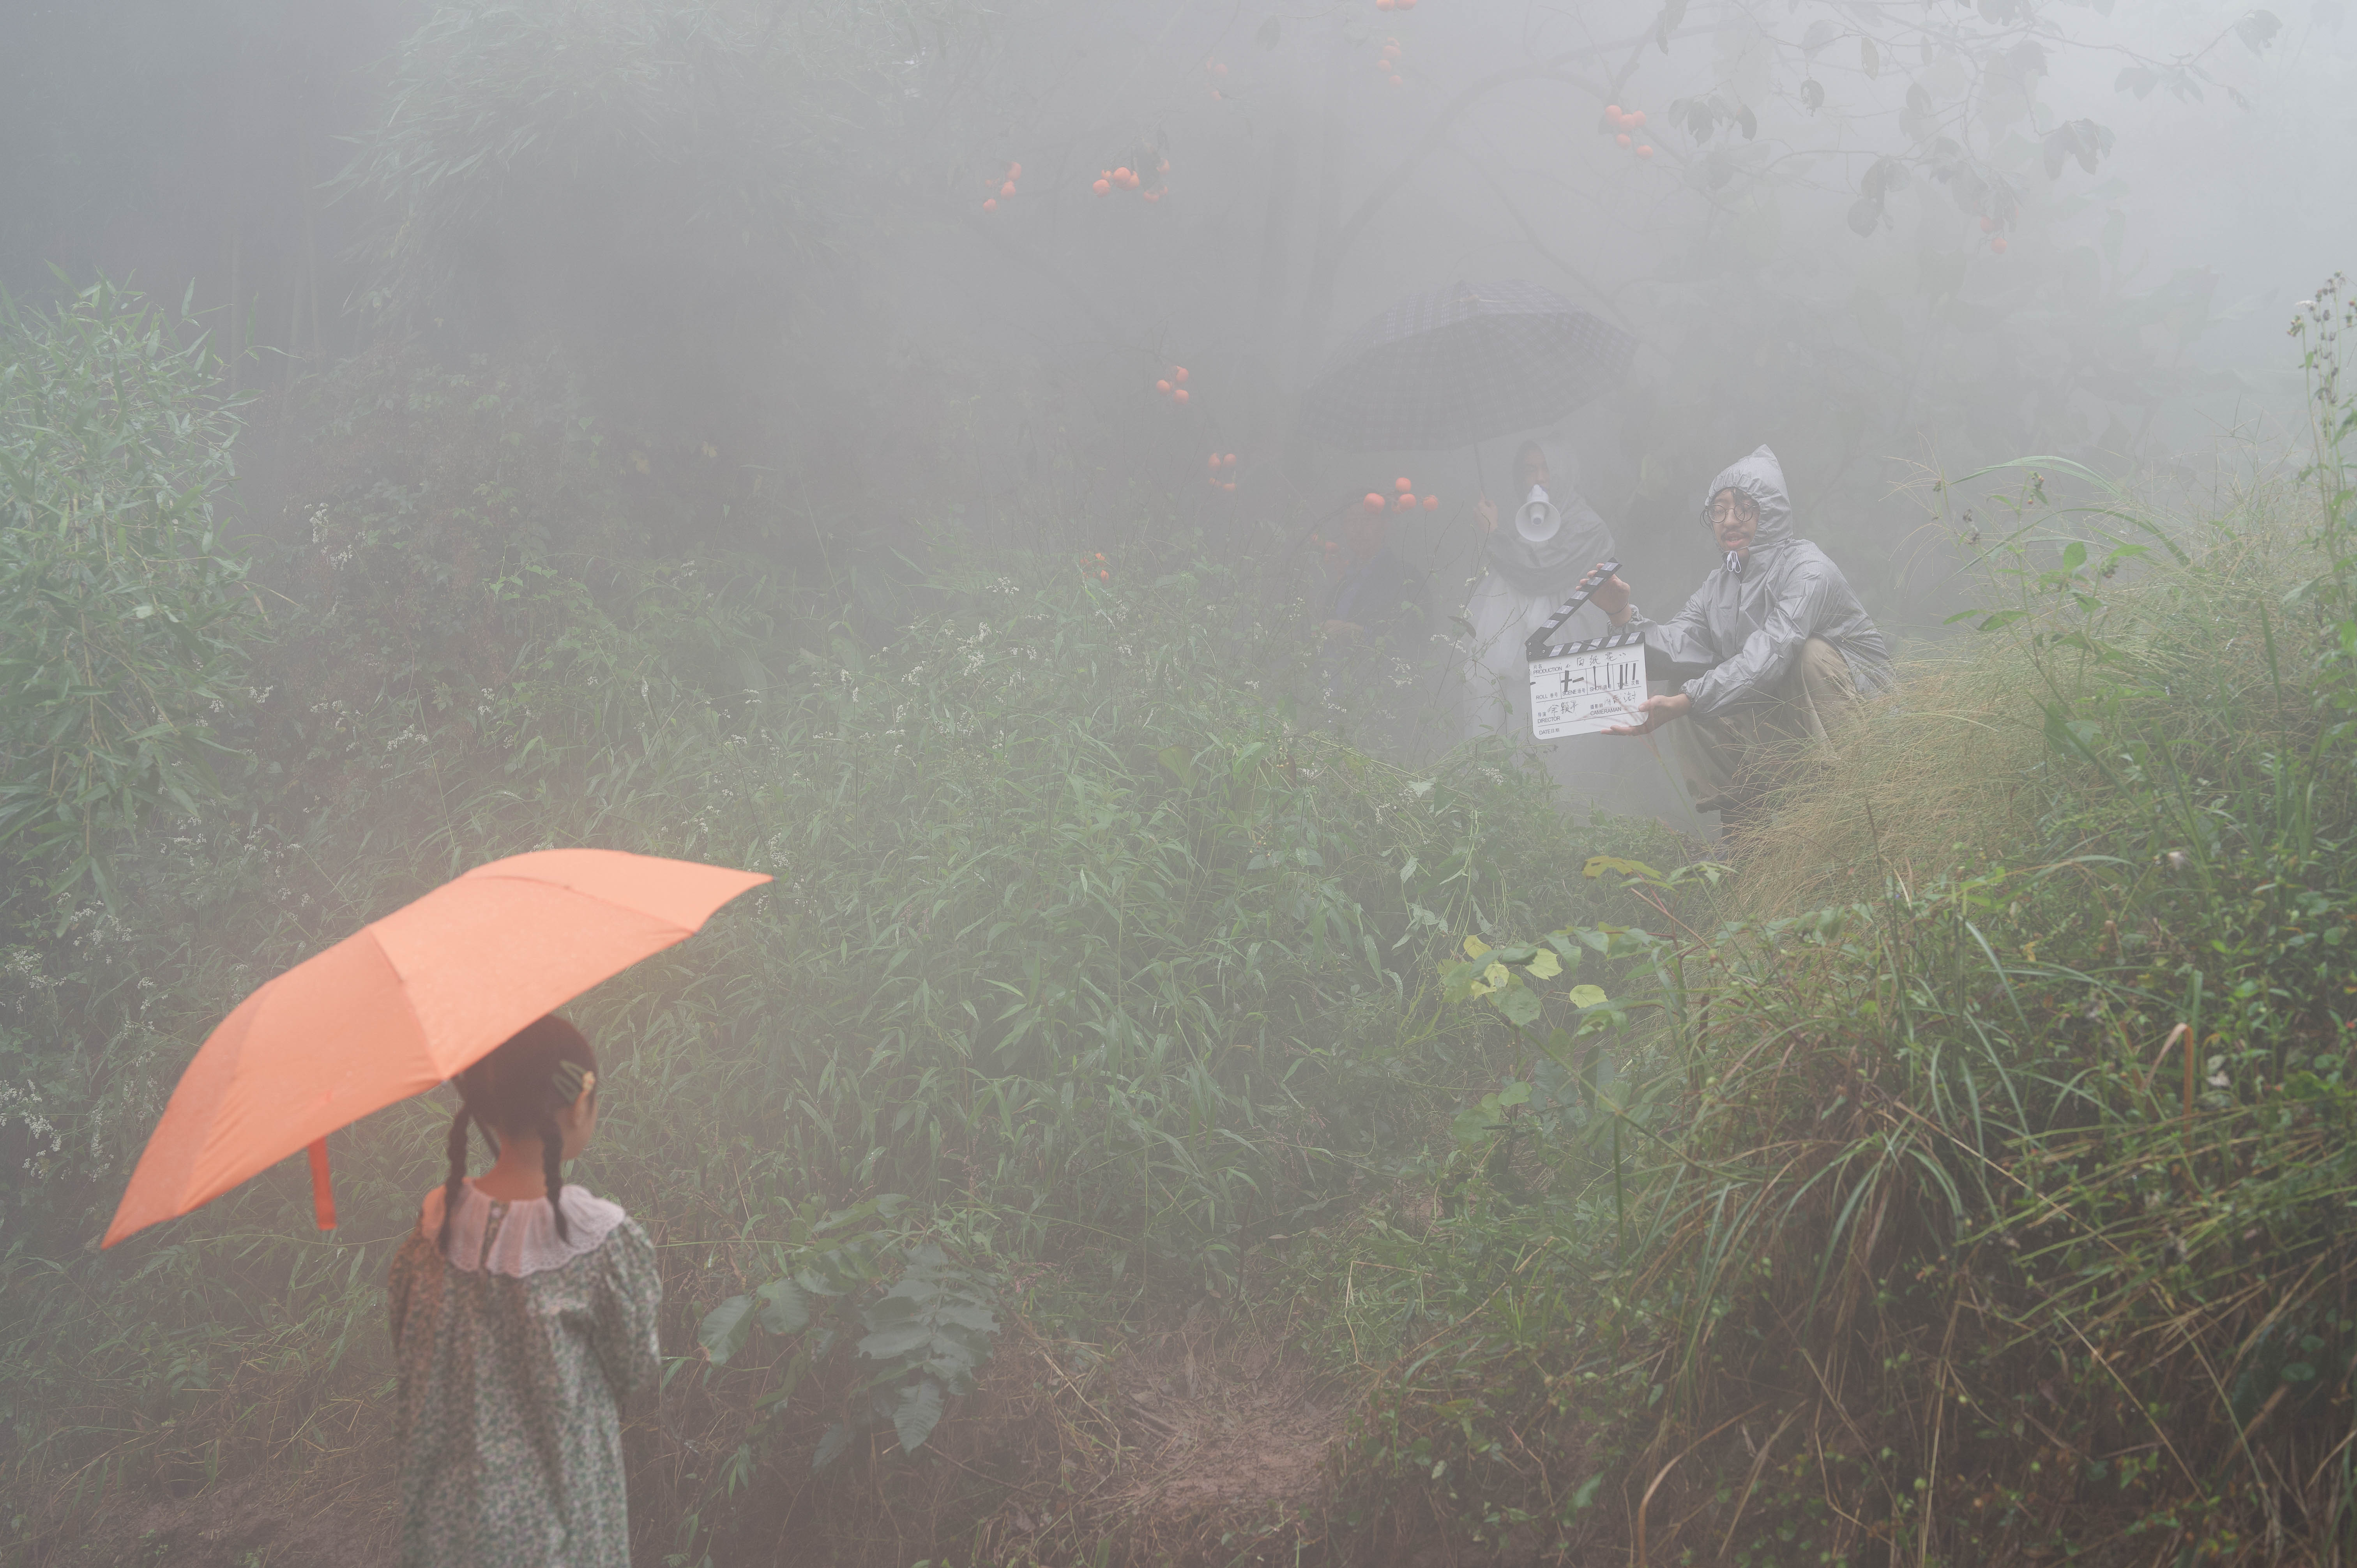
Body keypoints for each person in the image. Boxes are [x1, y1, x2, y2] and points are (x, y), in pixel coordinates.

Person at [389, 1015, 661, 1568]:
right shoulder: (598, 1243)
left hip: (449, 1530)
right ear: (579, 1103)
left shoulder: (433, 1232)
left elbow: (407, 1345)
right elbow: (636, 1371)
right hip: (562, 1530)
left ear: (489, 1110)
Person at [1590, 444, 1893, 828]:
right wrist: (1621, 614)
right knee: (1686, 677)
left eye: (1744, 507)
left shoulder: (1808, 569)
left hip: (1862, 718)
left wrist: (1688, 701)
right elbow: (1678, 643)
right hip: (1785, 723)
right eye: (1719, 510)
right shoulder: (1721, 585)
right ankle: (1745, 827)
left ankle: (1860, 802)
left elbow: (1771, 655)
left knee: (1809, 655)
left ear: (1771, 510)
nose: (1729, 520)